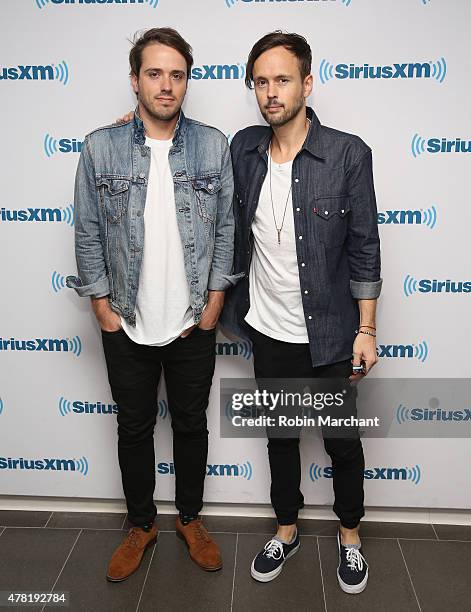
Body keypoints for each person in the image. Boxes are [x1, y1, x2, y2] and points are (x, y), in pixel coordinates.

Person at [66, 27, 241, 582]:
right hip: (126, 320)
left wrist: (214, 300)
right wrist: (100, 304)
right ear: (135, 79)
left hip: (193, 319)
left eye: (177, 74)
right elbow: (89, 231)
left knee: (191, 425)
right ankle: (140, 524)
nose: (166, 85)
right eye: (154, 73)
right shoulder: (100, 147)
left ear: (187, 81)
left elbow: (228, 229)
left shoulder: (215, 145)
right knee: (134, 428)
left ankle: (191, 519)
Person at [220, 31, 382, 594]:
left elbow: (364, 245)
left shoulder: (347, 153)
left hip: (333, 332)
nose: (271, 92)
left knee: (341, 441)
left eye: (282, 79)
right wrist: (135, 124)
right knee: (281, 438)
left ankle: (350, 536)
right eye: (261, 81)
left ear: (307, 83)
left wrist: (367, 327)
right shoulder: (243, 149)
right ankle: (286, 528)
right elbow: (184, 148)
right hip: (268, 329)